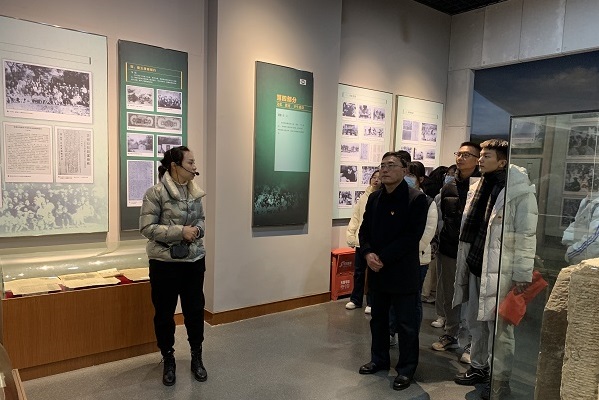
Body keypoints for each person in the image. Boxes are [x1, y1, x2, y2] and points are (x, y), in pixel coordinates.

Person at [452, 140, 538, 400]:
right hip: (478, 263)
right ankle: (479, 367)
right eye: (481, 155)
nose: (480, 159)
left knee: (499, 329)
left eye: (486, 156)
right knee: (475, 320)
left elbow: (526, 235)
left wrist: (521, 274)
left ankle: (499, 379)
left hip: (502, 269)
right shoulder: (480, 186)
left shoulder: (519, 191)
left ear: (502, 161)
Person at [357, 151, 429, 391]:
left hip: (402, 271)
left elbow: (411, 237)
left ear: (405, 170)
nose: (385, 169)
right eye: (382, 165)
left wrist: (382, 257)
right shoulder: (374, 198)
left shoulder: (416, 199)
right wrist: (368, 253)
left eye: (391, 165)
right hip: (377, 270)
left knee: (406, 324)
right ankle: (379, 359)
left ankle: (406, 369)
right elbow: (364, 230)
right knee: (378, 319)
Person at [139, 146, 208, 386]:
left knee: (195, 310)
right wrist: (180, 231)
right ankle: (168, 357)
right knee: (164, 313)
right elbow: (147, 228)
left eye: (194, 162)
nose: (195, 167)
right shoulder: (155, 193)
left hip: (194, 261)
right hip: (164, 264)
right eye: (190, 162)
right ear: (174, 166)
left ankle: (197, 356)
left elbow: (201, 220)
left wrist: (197, 230)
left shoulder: (195, 192)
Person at [431, 143, 481, 366]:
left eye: (466, 155)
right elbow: (440, 217)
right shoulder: (448, 187)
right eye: (459, 154)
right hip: (449, 248)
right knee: (448, 293)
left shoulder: (484, 186)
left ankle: (471, 341)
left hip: (473, 250)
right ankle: (450, 334)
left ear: (477, 159)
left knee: (472, 297)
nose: (461, 158)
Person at [345, 170, 381, 314]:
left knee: (373, 274)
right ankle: (356, 299)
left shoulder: (382, 197)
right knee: (358, 272)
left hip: (375, 243)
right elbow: (356, 217)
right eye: (374, 177)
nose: (376, 180)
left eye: (379, 178)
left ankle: (371, 302)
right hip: (361, 241)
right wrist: (351, 235)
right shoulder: (363, 197)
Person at [562, 194, 599, 264]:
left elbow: (594, 240)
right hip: (578, 253)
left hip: (586, 260)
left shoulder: (597, 204)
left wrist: (571, 253)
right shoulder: (587, 200)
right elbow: (576, 223)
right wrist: (568, 242)